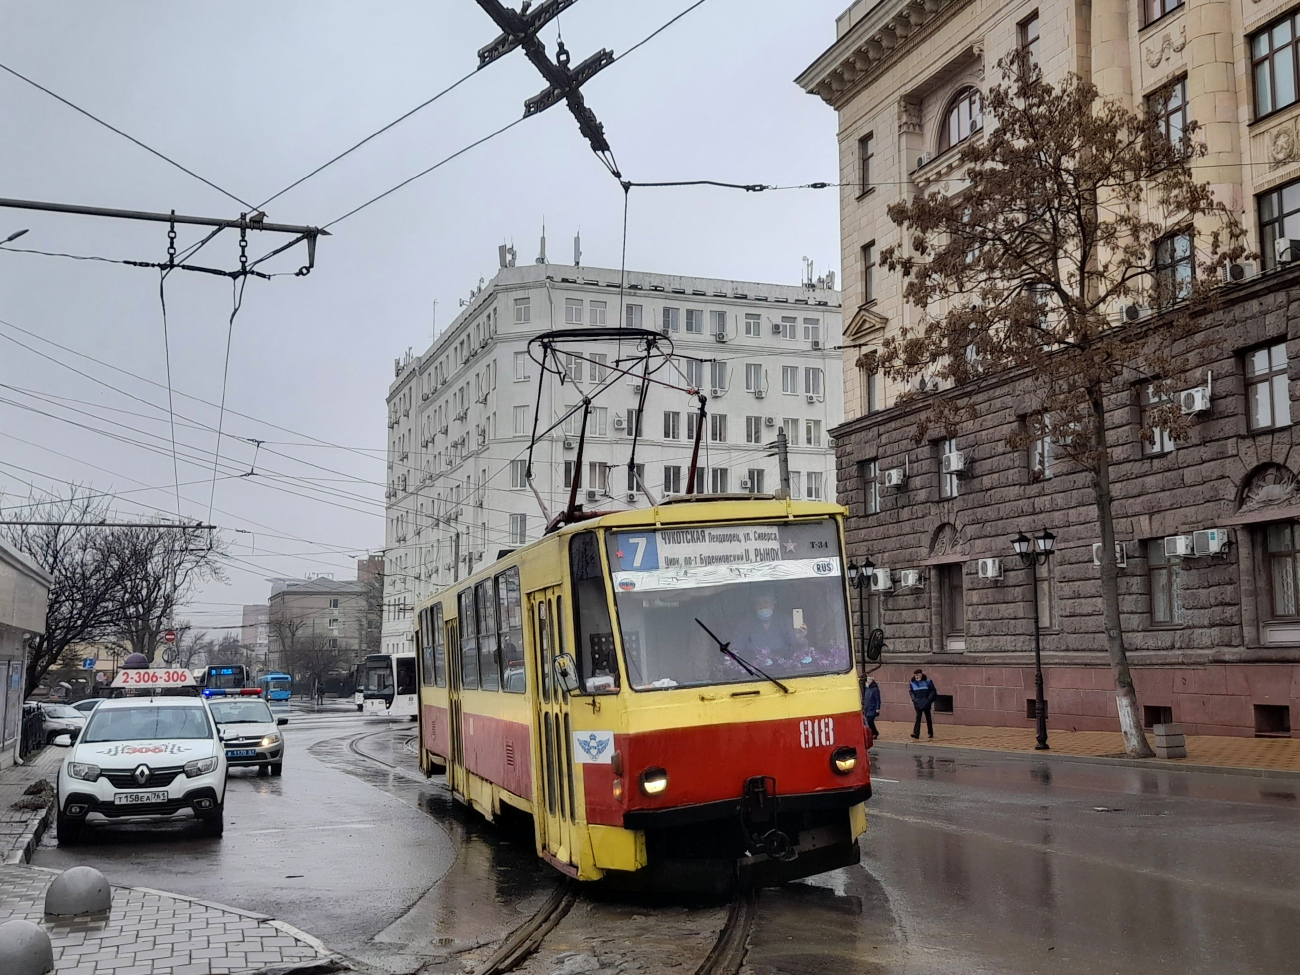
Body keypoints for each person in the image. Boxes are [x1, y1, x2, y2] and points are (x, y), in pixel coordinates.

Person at [909, 669, 937, 739]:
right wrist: (914, 699)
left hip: (926, 702)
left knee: (928, 717)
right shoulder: (912, 682)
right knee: (918, 718)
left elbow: (933, 691)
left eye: (918, 675)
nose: (916, 677)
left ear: (921, 674)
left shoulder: (928, 681)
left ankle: (930, 733)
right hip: (918, 702)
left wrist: (928, 700)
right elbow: (911, 691)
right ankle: (916, 733)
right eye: (915, 675)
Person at [862, 675, 881, 742]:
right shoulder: (867, 688)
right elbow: (865, 698)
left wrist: (877, 708)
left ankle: (875, 732)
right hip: (867, 708)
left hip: (872, 708)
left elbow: (878, 699)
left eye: (868, 680)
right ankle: (873, 733)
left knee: (870, 720)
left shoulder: (875, 689)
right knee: (869, 721)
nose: (867, 682)